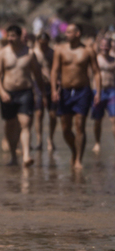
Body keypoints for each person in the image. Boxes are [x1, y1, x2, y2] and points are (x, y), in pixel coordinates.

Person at [50, 23, 101, 170]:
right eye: (66, 32)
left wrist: (98, 91)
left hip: (82, 91)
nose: (66, 34)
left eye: (70, 32)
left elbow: (96, 72)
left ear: (78, 33)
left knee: (80, 126)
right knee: (65, 129)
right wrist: (54, 89)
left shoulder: (88, 51)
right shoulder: (60, 50)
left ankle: (78, 159)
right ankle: (74, 150)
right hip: (65, 92)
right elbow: (54, 71)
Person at [0, 24, 43, 167]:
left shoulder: (29, 53)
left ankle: (26, 155)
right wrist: (1, 92)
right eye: (8, 36)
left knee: (25, 124)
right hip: (8, 93)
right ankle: (14, 155)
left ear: (20, 37)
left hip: (25, 92)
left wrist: (42, 94)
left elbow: (37, 75)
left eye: (13, 36)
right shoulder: (2, 53)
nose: (10, 39)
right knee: (10, 125)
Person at [33, 32, 57, 151]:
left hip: (50, 85)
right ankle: (39, 140)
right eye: (41, 43)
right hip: (37, 85)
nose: (43, 46)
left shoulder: (52, 52)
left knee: (52, 114)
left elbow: (57, 69)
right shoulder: (35, 53)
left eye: (45, 43)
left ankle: (50, 139)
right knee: (39, 114)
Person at [91, 34, 115, 153]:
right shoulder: (95, 59)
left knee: (114, 119)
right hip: (97, 91)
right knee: (98, 120)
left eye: (107, 46)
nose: (105, 48)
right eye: (103, 46)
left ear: (111, 46)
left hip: (112, 91)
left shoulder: (114, 60)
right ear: (100, 46)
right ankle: (97, 142)